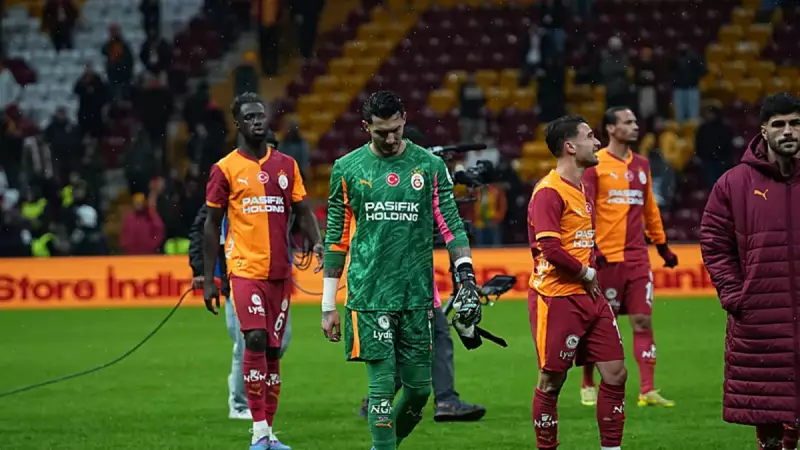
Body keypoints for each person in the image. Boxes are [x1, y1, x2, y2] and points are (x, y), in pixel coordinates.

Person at [320, 91, 483, 450]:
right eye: (381, 132)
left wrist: (466, 276)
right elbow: (336, 238)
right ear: (366, 127)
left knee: (419, 392)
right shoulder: (347, 168)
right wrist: (328, 305)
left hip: (416, 295)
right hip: (369, 294)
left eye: (396, 129)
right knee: (380, 390)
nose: (391, 138)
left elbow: (452, 226)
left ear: (404, 120)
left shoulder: (429, 166)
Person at [203, 92, 324, 450]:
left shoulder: (287, 166)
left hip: (280, 272)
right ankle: (257, 431)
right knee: (254, 339)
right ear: (237, 124)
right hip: (243, 269)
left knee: (273, 352)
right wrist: (210, 279)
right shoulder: (224, 169)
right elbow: (210, 225)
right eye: (249, 117)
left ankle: (268, 433)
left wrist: (316, 241)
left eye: (261, 116)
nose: (257, 122)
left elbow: (302, 211)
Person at [355, 124, 487, 423]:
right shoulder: (420, 178)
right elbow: (445, 224)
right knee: (434, 336)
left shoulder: (375, 177)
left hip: (380, 276)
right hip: (410, 277)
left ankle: (379, 399)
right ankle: (444, 400)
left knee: (403, 340)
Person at [700, 92, 800, 450]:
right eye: (779, 124)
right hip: (760, 318)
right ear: (764, 130)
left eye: (795, 124)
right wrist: (734, 294)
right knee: (768, 413)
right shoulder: (734, 183)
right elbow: (714, 241)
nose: (788, 131)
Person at [528, 115, 627, 450]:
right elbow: (550, 248)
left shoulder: (582, 189)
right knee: (551, 381)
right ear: (570, 147)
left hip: (590, 296)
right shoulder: (548, 191)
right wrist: (587, 273)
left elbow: (581, 242)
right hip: (557, 297)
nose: (597, 142)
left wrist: (592, 267)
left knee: (616, 373)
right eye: (590, 136)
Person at [580, 107, 679, 408]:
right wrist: (590, 248)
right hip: (605, 258)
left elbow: (649, 208)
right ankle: (587, 381)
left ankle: (647, 389)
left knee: (642, 320)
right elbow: (587, 207)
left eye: (635, 121)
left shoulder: (642, 164)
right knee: (600, 323)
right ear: (611, 129)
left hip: (637, 257)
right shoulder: (596, 165)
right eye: (628, 122)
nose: (635, 126)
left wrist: (662, 246)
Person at [188, 204, 292, 421]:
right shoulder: (227, 189)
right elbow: (204, 227)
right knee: (247, 342)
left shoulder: (271, 188)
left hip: (273, 277)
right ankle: (240, 403)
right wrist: (201, 270)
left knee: (279, 342)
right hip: (238, 276)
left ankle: (256, 395)